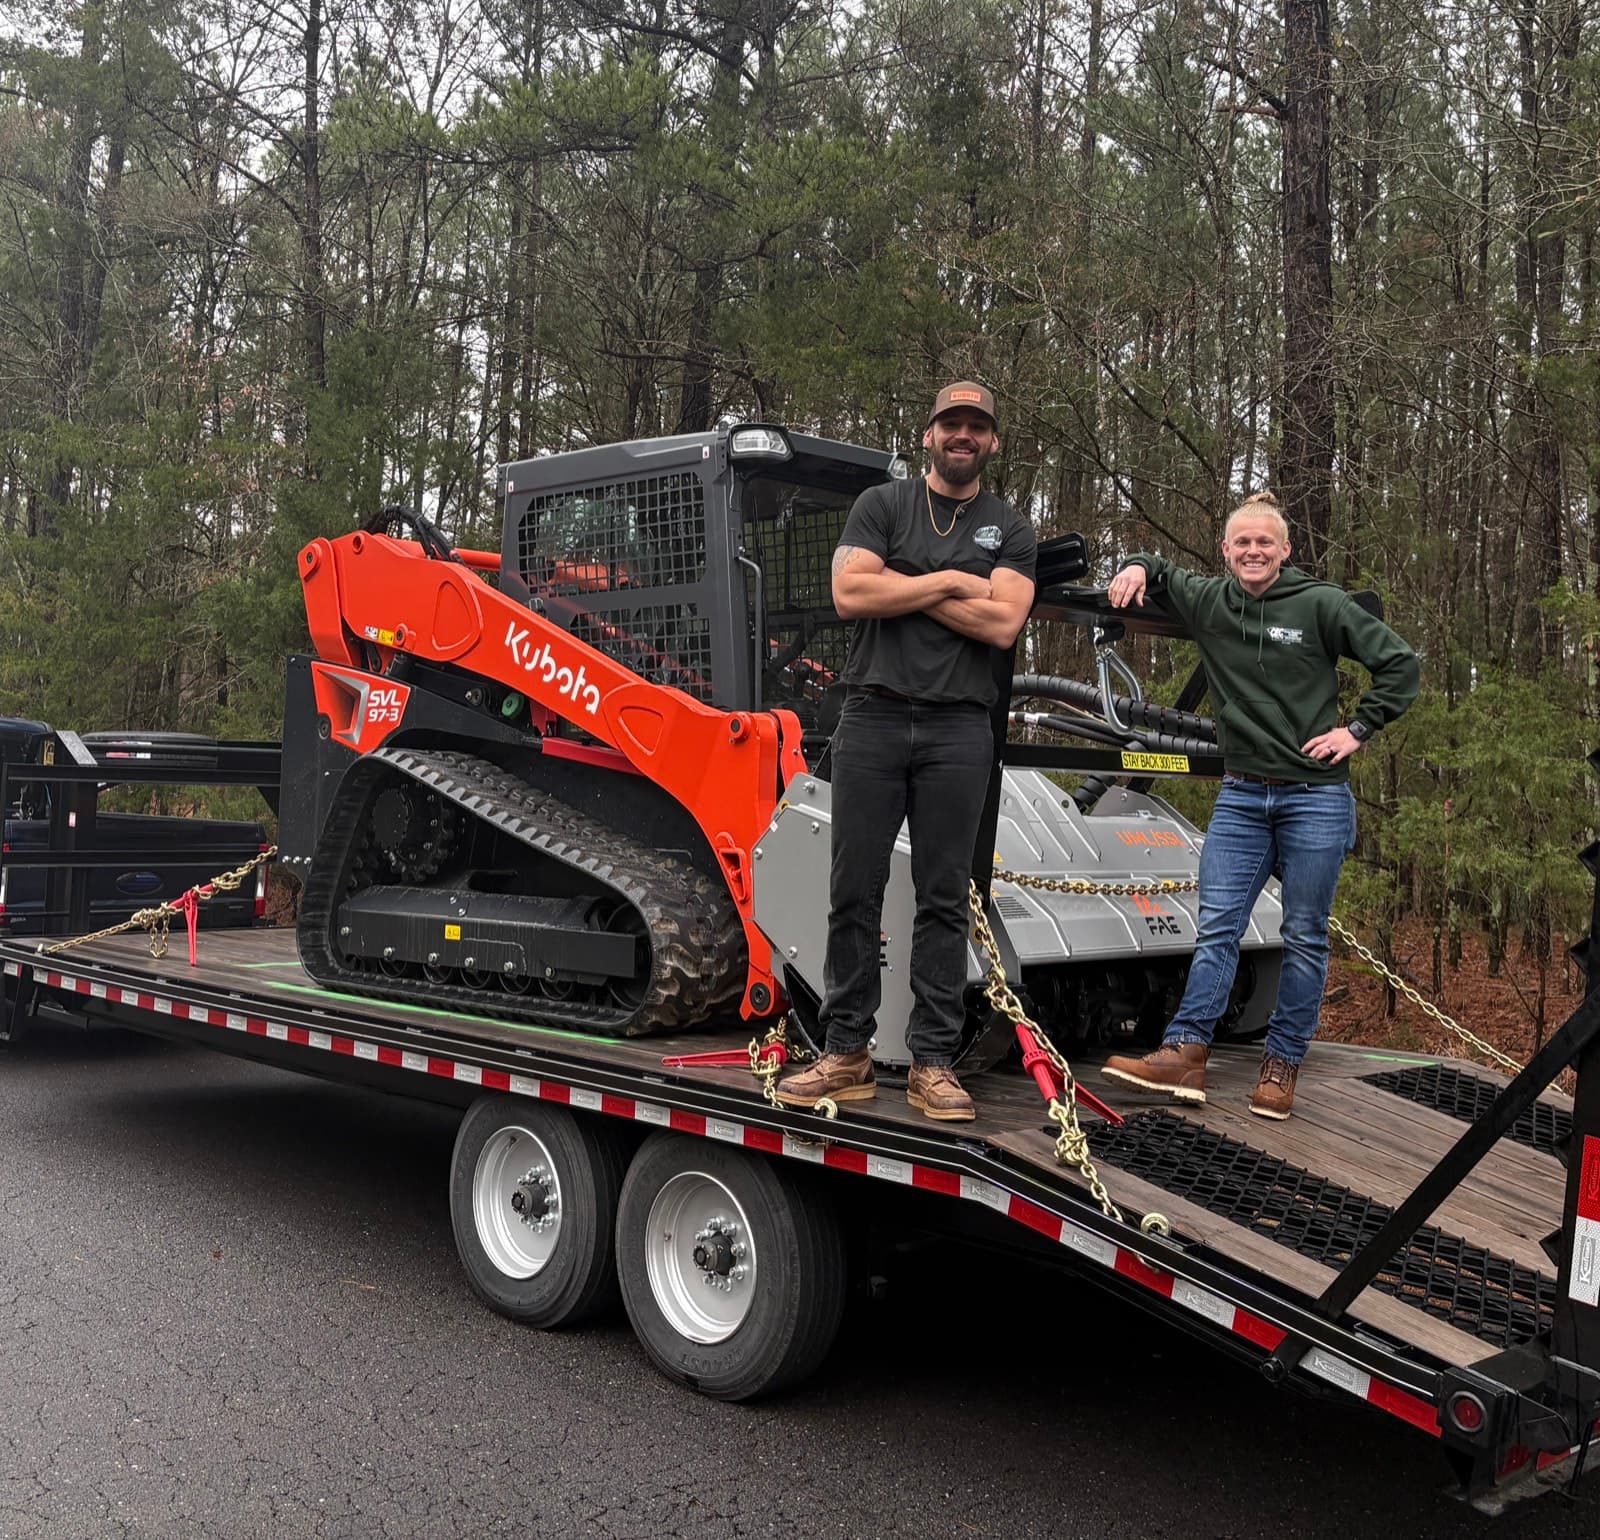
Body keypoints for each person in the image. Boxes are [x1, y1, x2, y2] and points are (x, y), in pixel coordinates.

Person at [1100, 492, 1419, 1119]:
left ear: (1285, 550)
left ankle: (1281, 1065)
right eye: (1241, 543)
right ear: (1226, 551)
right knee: (1217, 927)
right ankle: (1186, 1052)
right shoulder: (1211, 600)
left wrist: (1356, 731)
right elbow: (1159, 569)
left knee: (1303, 935)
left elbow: (1400, 666)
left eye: (1264, 542)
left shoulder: (1321, 604)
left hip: (1316, 798)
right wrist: (1136, 565)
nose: (1252, 551)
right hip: (1242, 796)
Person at [775, 382, 1037, 1122]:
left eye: (976, 427)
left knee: (945, 897)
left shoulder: (1010, 527)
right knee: (851, 889)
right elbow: (850, 596)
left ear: (990, 441)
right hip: (874, 718)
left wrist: (906, 584)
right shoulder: (881, 505)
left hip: (960, 728)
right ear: (929, 434)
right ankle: (846, 1051)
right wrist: (956, 580)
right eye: (951, 423)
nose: (963, 436)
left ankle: (931, 1062)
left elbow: (1003, 624)